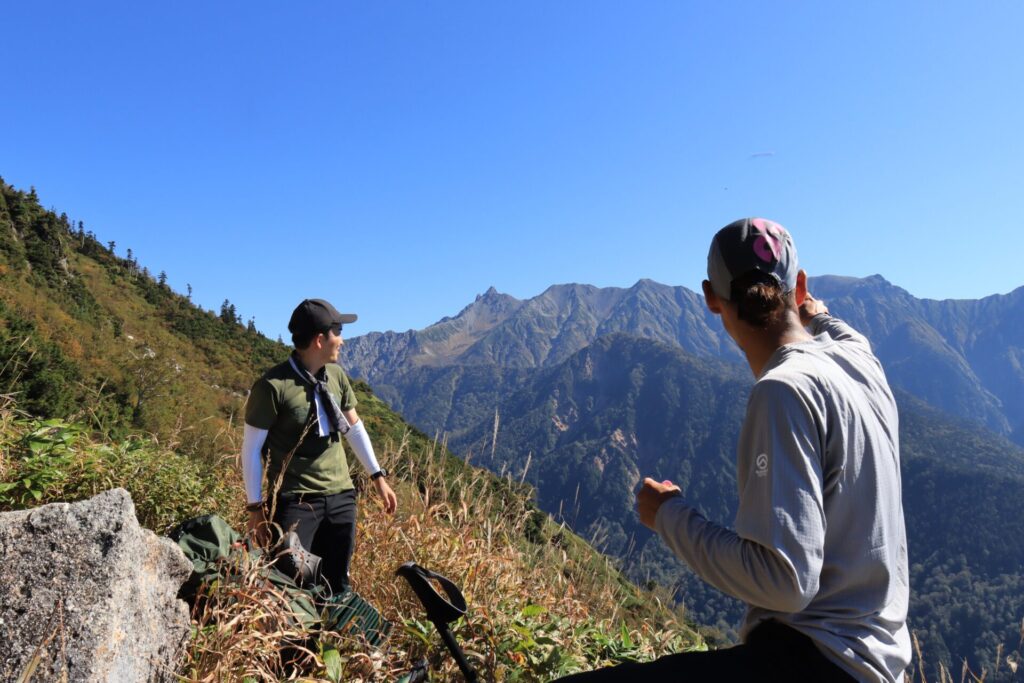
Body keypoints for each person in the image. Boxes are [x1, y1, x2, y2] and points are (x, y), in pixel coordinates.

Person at [558, 218, 910, 682]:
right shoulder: (862, 360)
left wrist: (669, 516)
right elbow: (841, 331)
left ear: (710, 298)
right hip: (880, 662)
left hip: (819, 661)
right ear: (799, 286)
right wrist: (817, 314)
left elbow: (786, 583)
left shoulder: (783, 392)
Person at [240, 298, 397, 593]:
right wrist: (255, 509)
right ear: (319, 339)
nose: (342, 340)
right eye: (337, 331)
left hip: (341, 497)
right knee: (291, 584)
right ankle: (295, 640)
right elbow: (250, 450)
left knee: (336, 582)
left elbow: (354, 428)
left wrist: (378, 477)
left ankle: (333, 636)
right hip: (297, 502)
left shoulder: (336, 377)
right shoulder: (273, 386)